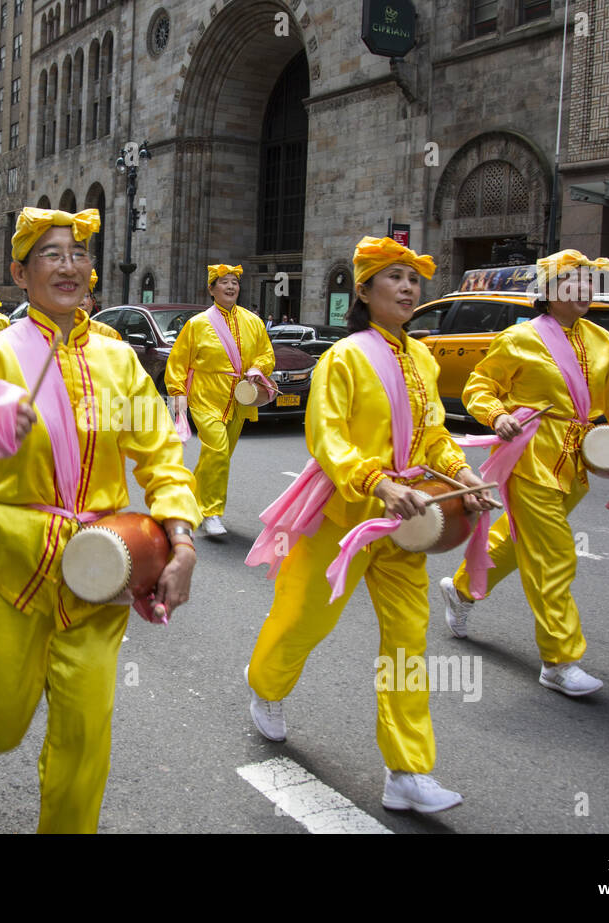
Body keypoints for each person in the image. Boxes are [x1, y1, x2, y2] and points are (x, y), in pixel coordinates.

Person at [0, 206, 200, 833]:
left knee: (85, 737)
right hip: (4, 562)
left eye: (80, 254)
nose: (70, 265)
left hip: (99, 567)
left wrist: (181, 540)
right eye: (51, 254)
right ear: (18, 274)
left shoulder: (117, 361)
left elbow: (161, 453)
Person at [243, 236, 497, 813]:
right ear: (363, 290)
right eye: (395, 278)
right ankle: (266, 686)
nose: (409, 288)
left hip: (408, 521)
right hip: (344, 514)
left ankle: (406, 771)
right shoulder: (345, 356)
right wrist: (375, 481)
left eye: (414, 278)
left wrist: (462, 475)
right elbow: (326, 437)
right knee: (304, 618)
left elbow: (433, 433)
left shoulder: (424, 358)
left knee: (408, 642)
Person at [439, 249, 609, 696]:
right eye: (572, 283)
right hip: (530, 458)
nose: (583, 290)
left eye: (588, 282)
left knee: (520, 542)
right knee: (554, 555)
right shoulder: (520, 338)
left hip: (577, 461)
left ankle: (461, 590)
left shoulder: (602, 341)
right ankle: (559, 660)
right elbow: (480, 385)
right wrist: (497, 414)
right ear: (549, 291)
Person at [163, 264, 275, 537]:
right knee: (217, 451)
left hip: (239, 397)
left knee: (217, 457)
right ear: (211, 289)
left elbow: (266, 354)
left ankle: (188, 503)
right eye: (223, 282)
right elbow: (179, 361)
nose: (230, 286)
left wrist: (258, 368)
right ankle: (212, 512)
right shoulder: (197, 324)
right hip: (205, 396)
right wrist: (178, 394)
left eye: (234, 282)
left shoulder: (254, 322)